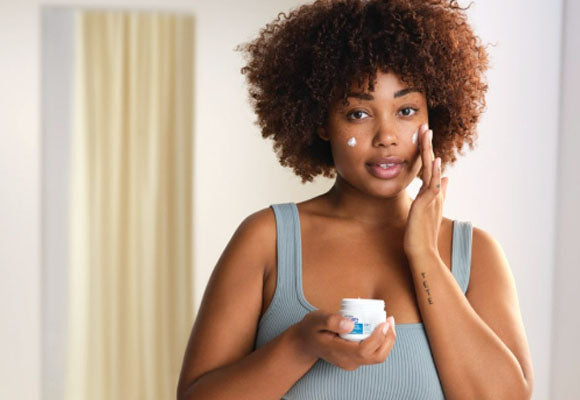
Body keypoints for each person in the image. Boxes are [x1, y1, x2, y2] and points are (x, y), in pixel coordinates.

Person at [177, 0, 534, 399]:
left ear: (433, 117)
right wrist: (301, 345)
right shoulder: (267, 240)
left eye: (407, 109)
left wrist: (424, 255)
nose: (386, 136)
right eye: (358, 114)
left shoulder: (476, 254)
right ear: (321, 122)